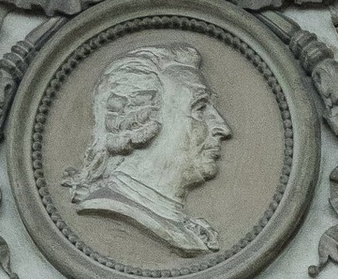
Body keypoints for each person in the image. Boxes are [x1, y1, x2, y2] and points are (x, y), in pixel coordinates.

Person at [69, 39, 234, 257]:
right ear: (142, 120)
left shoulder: (186, 229)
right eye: (200, 107)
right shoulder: (111, 207)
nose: (223, 128)